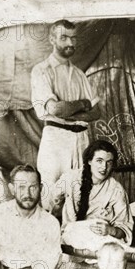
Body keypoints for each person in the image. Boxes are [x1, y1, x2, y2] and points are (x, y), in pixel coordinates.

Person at [31, 19, 101, 210]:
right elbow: (55, 110)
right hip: (56, 140)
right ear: (52, 39)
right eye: (64, 38)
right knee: (52, 199)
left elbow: (97, 112)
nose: (70, 43)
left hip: (81, 140)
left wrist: (70, 111)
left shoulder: (79, 74)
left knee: (80, 195)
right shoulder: (41, 71)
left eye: (73, 38)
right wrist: (82, 104)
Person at [53, 140, 133, 251]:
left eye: (109, 162)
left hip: (101, 238)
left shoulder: (116, 189)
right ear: (89, 161)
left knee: (112, 251)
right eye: (99, 161)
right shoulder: (70, 178)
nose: (104, 167)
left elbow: (125, 229)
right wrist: (58, 206)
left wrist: (111, 230)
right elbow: (52, 201)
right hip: (72, 237)